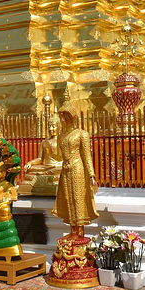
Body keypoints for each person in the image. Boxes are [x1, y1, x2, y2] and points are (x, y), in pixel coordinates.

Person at [52, 93, 98, 240]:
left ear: (72, 116)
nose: (63, 119)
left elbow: (87, 156)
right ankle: (72, 230)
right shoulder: (60, 136)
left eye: (66, 116)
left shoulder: (82, 134)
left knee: (78, 198)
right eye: (61, 116)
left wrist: (91, 175)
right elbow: (60, 156)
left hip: (78, 168)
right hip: (65, 169)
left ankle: (80, 231)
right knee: (68, 198)